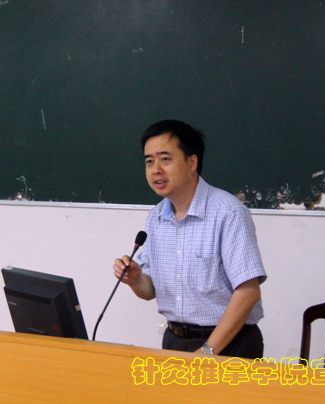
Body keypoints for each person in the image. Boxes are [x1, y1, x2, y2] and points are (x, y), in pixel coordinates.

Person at [113, 120, 267, 358]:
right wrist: (135, 279)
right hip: (175, 341)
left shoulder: (227, 212)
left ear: (192, 162)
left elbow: (248, 292)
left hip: (230, 345)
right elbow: (149, 290)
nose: (156, 169)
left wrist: (207, 351)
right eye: (149, 161)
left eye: (165, 159)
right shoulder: (156, 217)